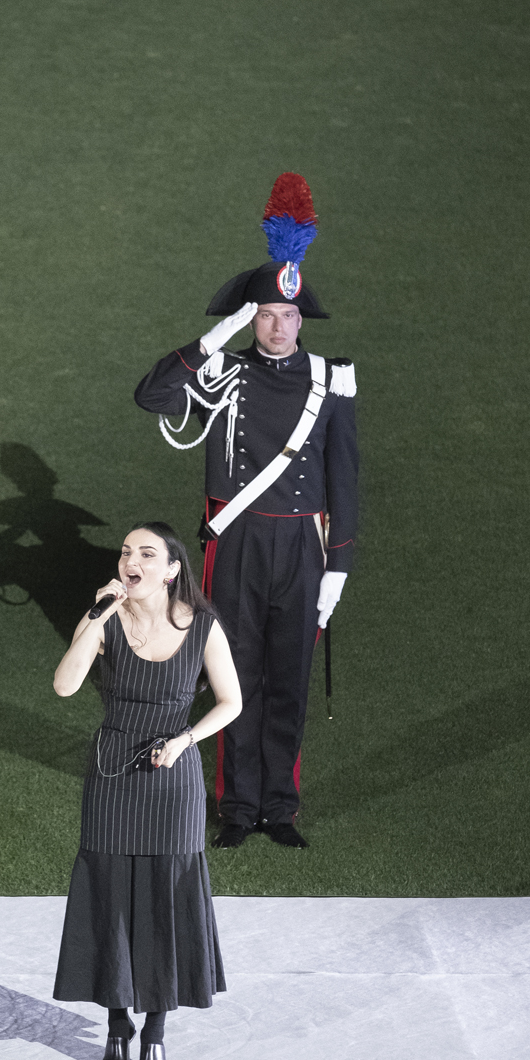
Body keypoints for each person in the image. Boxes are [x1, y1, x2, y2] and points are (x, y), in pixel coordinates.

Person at [134, 174, 358, 851]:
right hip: (234, 545)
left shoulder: (331, 378)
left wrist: (339, 563)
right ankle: (235, 808)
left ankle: (280, 808)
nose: (279, 327)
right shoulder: (223, 373)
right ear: (249, 318)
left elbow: (343, 474)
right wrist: (213, 337)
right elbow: (150, 396)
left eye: (288, 316)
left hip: (300, 550)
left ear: (301, 319)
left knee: (288, 678)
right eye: (265, 315)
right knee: (235, 674)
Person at [52, 522, 242, 1060]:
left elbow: (231, 702)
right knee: (110, 897)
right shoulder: (107, 624)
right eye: (126, 552)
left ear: (172, 569)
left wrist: (184, 741)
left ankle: (155, 1033)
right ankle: (117, 1027)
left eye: (146, 553)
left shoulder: (203, 628)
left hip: (172, 779)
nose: (131, 560)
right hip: (112, 777)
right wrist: (98, 616)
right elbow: (64, 685)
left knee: (164, 900)